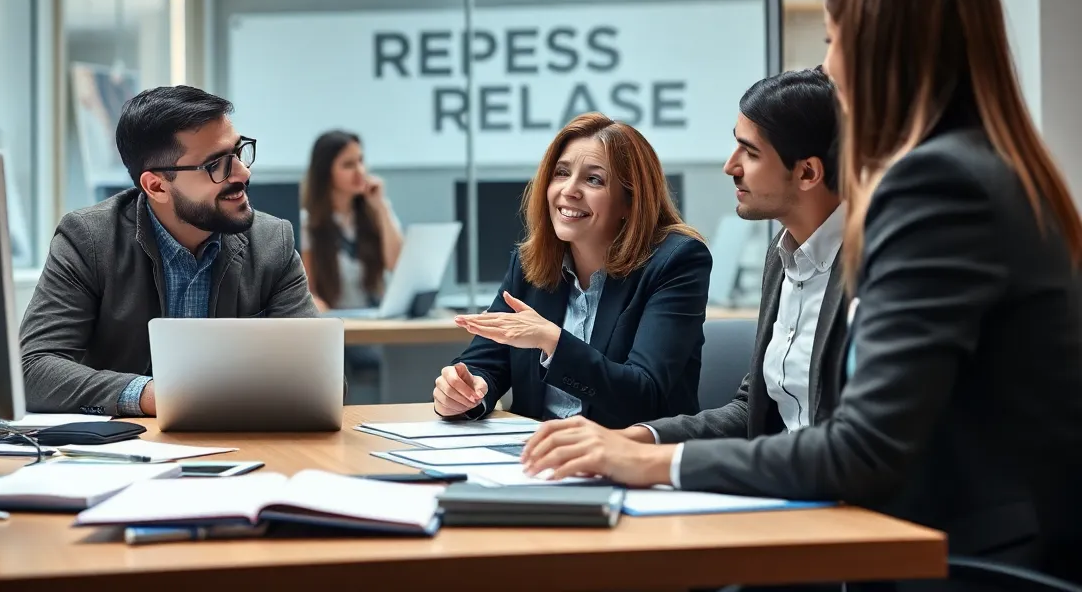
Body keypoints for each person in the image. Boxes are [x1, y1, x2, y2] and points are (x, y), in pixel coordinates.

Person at [522, 0, 1082, 581]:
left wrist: (650, 464)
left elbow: (863, 447)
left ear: (879, 53)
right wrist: (636, 442)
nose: (829, 66)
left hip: (963, 558)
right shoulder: (987, 167)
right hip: (938, 537)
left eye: (833, 39)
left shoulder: (937, 184)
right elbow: (775, 413)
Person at [20, 86, 319, 416]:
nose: (243, 173)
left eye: (238, 152)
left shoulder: (272, 242)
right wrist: (152, 395)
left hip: (246, 446)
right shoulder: (89, 240)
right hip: (126, 452)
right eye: (216, 164)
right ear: (156, 186)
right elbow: (32, 368)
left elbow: (321, 381)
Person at [433, 112, 712, 429]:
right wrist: (465, 391)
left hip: (631, 460)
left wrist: (551, 339)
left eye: (594, 179)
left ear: (630, 202)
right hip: (535, 457)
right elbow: (484, 363)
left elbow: (644, 394)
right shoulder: (529, 264)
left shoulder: (676, 260)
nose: (569, 190)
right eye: (561, 173)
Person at [634, 67, 847, 447]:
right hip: (787, 482)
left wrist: (669, 465)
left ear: (808, 172)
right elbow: (754, 412)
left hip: (837, 491)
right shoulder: (782, 255)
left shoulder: (871, 267)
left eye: (749, 152)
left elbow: (847, 441)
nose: (730, 166)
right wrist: (638, 438)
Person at [300, 130, 403, 313]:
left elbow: (397, 264)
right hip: (338, 324)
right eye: (348, 165)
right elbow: (309, 292)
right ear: (326, 172)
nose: (360, 171)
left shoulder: (376, 212)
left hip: (377, 321)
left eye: (361, 161)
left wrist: (382, 207)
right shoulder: (309, 224)